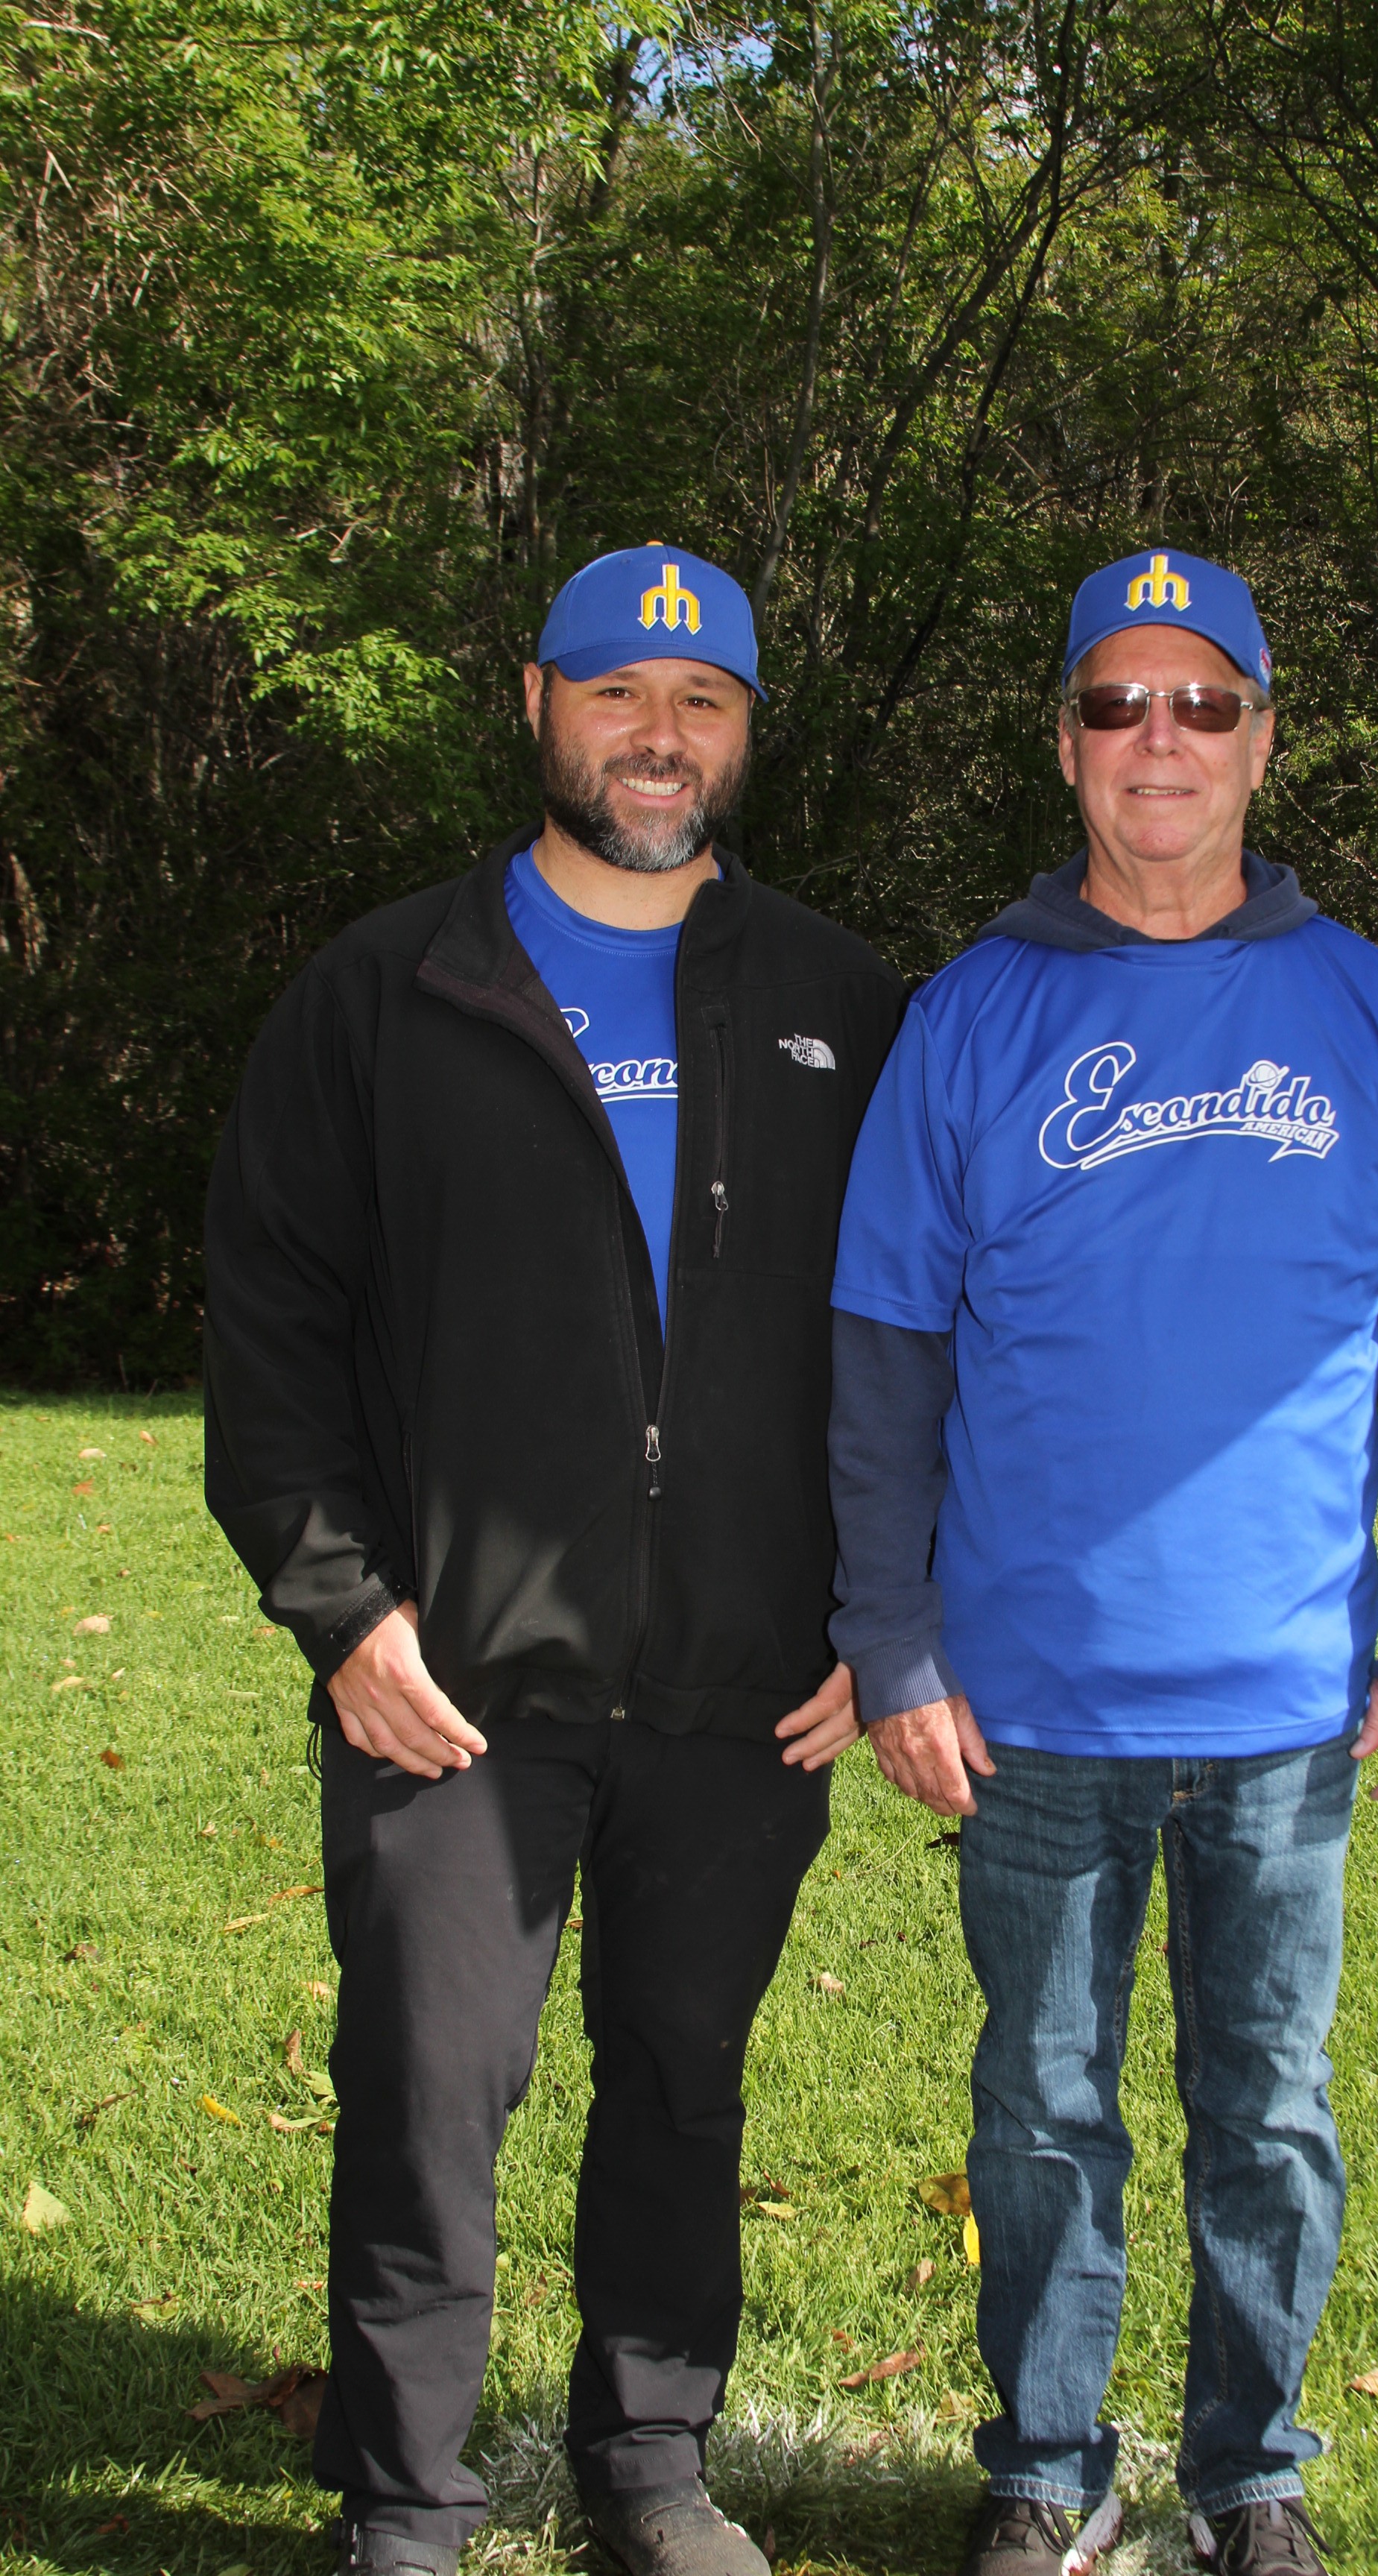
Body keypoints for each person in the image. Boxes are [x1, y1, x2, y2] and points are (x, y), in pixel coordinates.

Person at [203, 545, 903, 2576]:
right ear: (536, 702)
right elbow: (270, 1318)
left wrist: (892, 1604)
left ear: (746, 729)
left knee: (681, 2077)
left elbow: (932, 1328)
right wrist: (343, 1608)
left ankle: (650, 2466)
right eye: (617, 694)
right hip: (455, 1680)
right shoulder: (387, 991)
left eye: (702, 703)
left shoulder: (845, 1006)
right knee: (430, 2093)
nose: (657, 738)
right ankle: (405, 2503)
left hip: (746, 1674)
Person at [826, 549, 1378, 2576]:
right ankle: (1046, 2468)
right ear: (1066, 746)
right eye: (1119, 703)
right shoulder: (974, 1013)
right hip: (1029, 1701)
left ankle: (1248, 2474)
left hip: (1287, 1694)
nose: (1162, 740)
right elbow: (884, 1359)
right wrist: (893, 1640)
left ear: (1262, 742)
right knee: (1042, 2107)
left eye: (1204, 704)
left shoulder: (1360, 1006)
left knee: (1268, 2111)